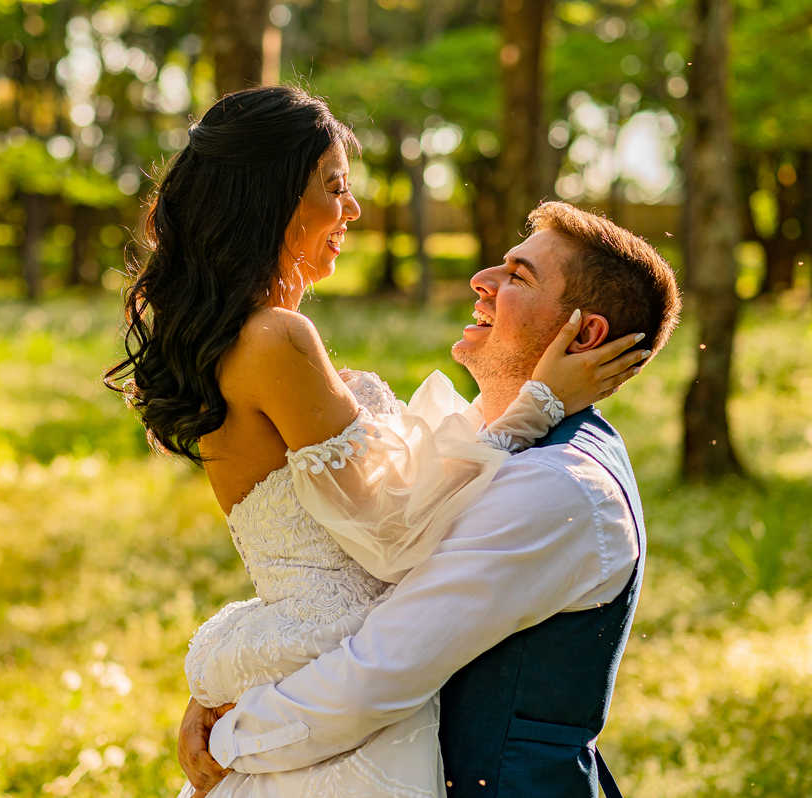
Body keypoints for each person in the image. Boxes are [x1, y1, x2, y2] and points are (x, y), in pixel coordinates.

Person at [105, 85, 651, 797]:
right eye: (335, 188)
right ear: (271, 198)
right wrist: (532, 410)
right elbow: (392, 538)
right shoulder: (276, 339)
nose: (353, 210)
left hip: (316, 657)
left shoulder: (243, 338)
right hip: (341, 674)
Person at [178, 201, 681, 798]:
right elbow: (356, 581)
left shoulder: (559, 485)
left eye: (519, 277)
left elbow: (380, 669)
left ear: (585, 334)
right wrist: (230, 684)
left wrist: (231, 735)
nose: (481, 280)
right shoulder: (493, 440)